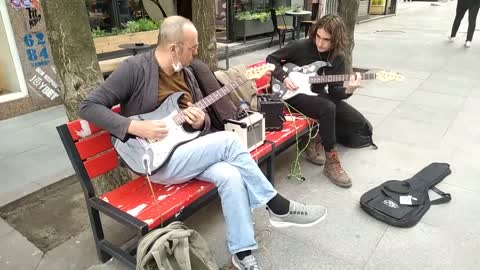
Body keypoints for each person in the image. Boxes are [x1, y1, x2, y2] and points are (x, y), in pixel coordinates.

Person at [80, 16, 327, 270]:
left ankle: (242, 253)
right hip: (155, 159)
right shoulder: (135, 69)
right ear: (174, 47)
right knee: (230, 141)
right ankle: (276, 205)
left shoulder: (187, 72)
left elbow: (205, 123)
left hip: (188, 152)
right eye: (192, 47)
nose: (196, 52)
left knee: (231, 175)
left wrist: (200, 123)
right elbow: (88, 107)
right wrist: (134, 126)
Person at [266, 14, 365, 188]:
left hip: (315, 93)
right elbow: (271, 59)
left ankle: (313, 140)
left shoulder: (338, 58)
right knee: (328, 107)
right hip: (292, 93)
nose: (320, 43)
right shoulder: (301, 46)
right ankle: (331, 161)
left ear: (337, 39)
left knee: (337, 108)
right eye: (318, 37)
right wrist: (283, 77)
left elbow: (334, 90)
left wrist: (349, 89)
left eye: (326, 40)